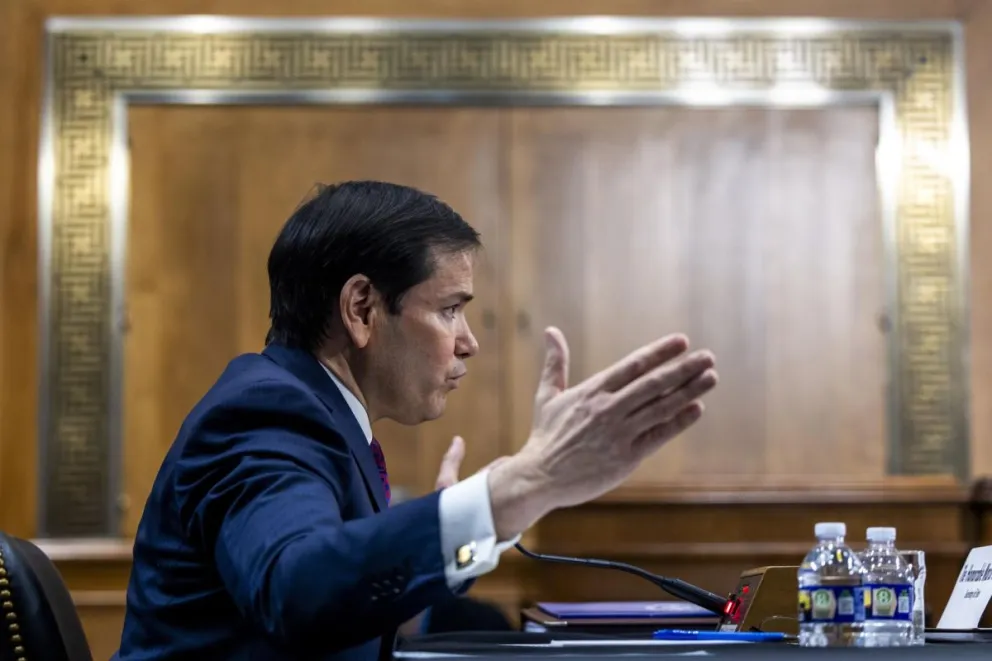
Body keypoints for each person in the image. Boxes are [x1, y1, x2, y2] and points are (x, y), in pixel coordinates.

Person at [112, 181, 718, 661]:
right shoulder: (265, 412)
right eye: (451, 309)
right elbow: (295, 592)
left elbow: (338, 608)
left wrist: (469, 528)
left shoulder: (315, 411)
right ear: (361, 309)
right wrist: (517, 487)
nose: (469, 343)